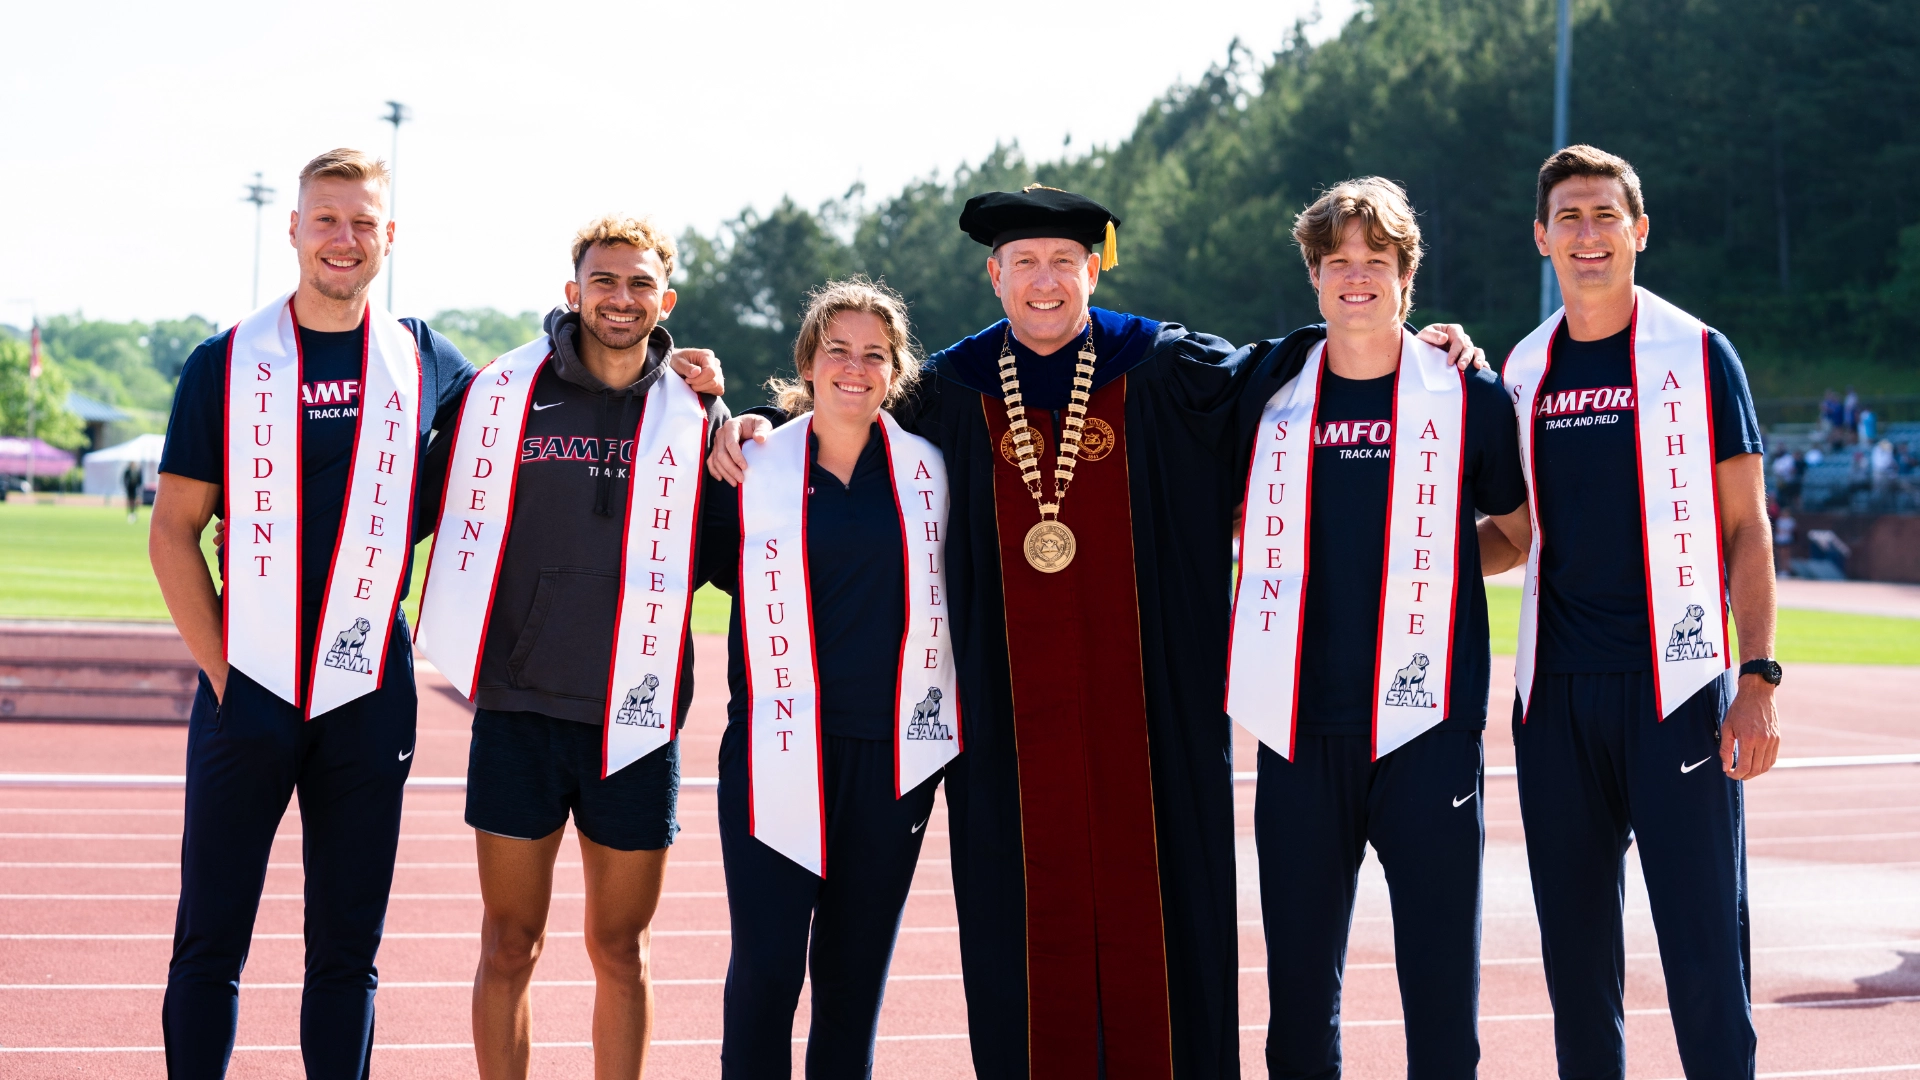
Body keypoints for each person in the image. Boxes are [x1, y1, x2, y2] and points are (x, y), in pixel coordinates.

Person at [709, 187, 1482, 1079]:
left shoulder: (1159, 367)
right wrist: (746, 424)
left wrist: (1407, 345)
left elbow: (1285, 371)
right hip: (1006, 727)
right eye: (1025, 263)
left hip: (1148, 717)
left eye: (1064, 263)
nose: (1046, 282)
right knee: (1016, 918)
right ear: (994, 273)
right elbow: (842, 415)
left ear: (1094, 268)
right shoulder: (949, 393)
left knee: (1161, 911)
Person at [148, 148, 478, 1078]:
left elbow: (547, 401)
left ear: (388, 238)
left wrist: (686, 384)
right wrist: (223, 672)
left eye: (362, 222)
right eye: (325, 219)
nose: (343, 238)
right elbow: (175, 532)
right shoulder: (224, 360)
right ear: (292, 228)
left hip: (368, 691)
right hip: (246, 687)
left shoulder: (427, 362)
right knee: (210, 941)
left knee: (345, 954)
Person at [1223, 178, 1531, 1079]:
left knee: (1441, 991)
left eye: (1377, 261)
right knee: (1298, 1001)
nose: (1356, 277)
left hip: (1425, 728)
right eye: (1338, 261)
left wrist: (1418, 559)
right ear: (1314, 277)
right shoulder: (1265, 387)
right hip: (1297, 730)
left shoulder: (1467, 394)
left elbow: (1512, 536)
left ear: (1407, 277)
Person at [411, 215, 724, 1080]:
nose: (619, 299)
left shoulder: (699, 411)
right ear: (572, 289)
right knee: (510, 943)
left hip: (637, 713)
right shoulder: (501, 393)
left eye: (638, 284)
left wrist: (751, 424)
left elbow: (748, 540)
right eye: (603, 280)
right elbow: (411, 496)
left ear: (665, 298)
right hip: (519, 708)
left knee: (622, 950)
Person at [1501, 145, 1781, 1080]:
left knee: (1704, 959)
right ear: (1542, 237)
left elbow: (1746, 528)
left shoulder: (1700, 354)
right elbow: (1513, 538)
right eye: (1568, 219)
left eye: (1605, 216)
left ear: (1640, 231)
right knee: (1577, 975)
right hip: (1557, 703)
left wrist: (1759, 678)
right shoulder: (1523, 368)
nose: (1588, 235)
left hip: (1677, 693)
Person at [698, 279, 958, 1077]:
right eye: (836, 350)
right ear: (807, 363)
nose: (855, 367)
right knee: (767, 976)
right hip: (775, 752)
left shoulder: (934, 471)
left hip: (892, 765)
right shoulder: (748, 464)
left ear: (896, 370)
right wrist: (694, 394)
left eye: (874, 354)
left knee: (851, 983)